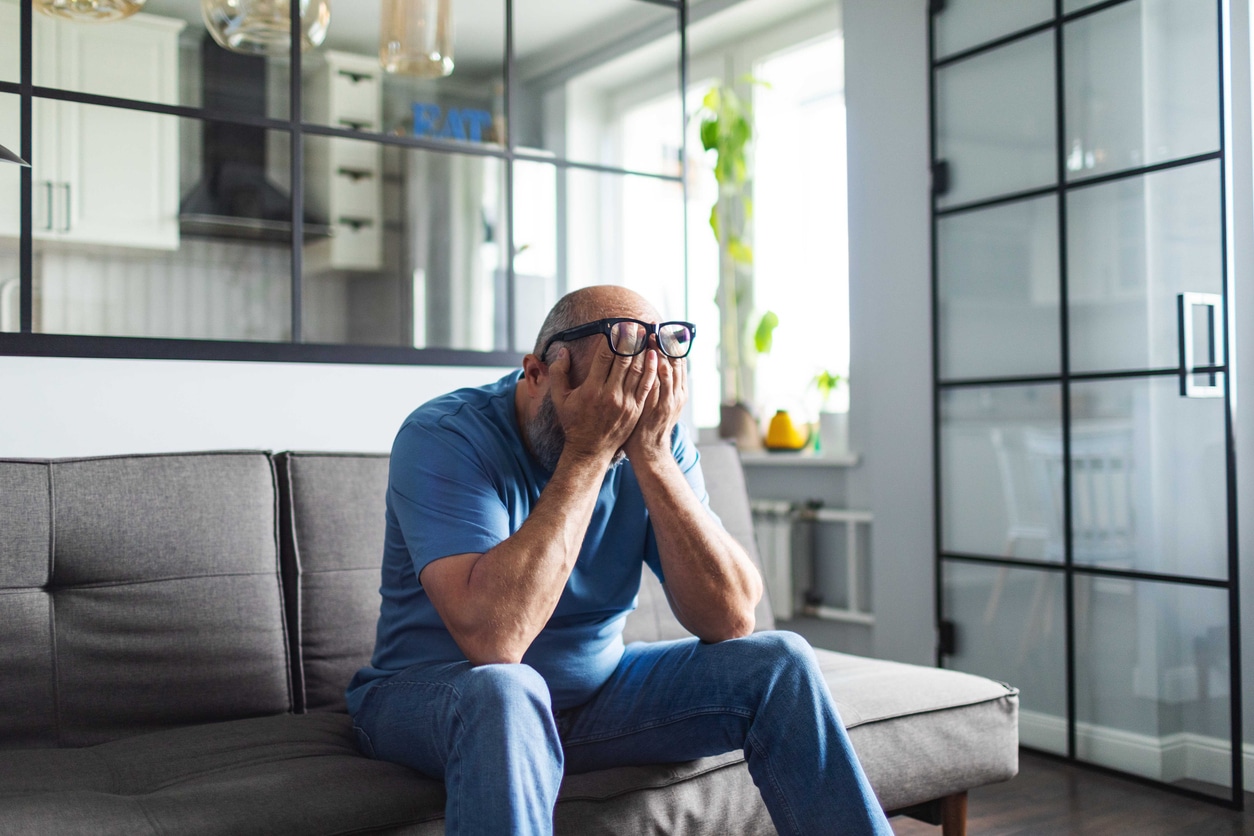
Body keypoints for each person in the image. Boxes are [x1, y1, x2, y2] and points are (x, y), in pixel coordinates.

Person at [347, 285, 892, 835]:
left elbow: (730, 618)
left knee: (779, 660)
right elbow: (494, 642)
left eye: (637, 398)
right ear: (537, 374)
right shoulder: (444, 436)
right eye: (605, 399)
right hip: (435, 697)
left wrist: (653, 454)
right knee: (506, 690)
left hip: (597, 697)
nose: (622, 417)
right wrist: (588, 451)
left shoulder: (654, 434)